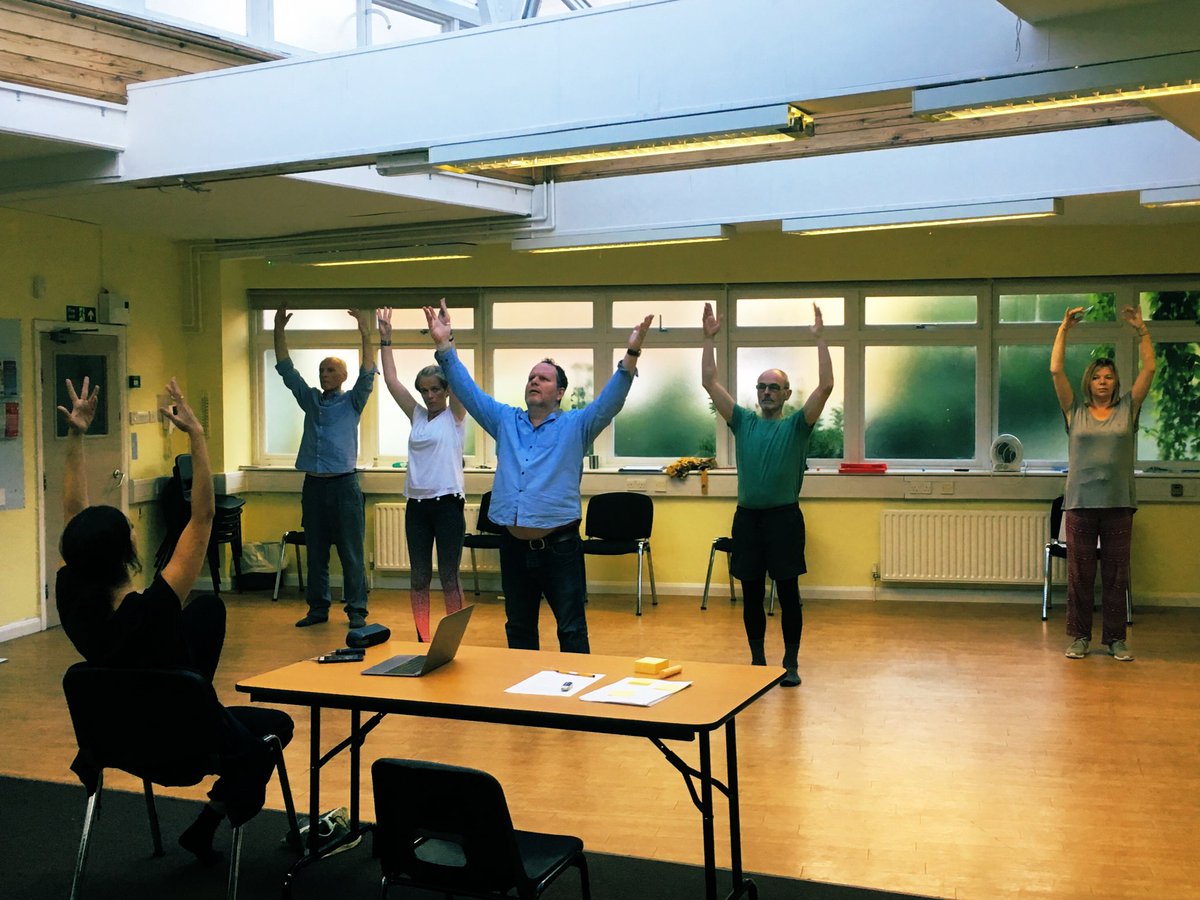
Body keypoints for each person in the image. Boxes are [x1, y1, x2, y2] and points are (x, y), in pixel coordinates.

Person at [56, 376, 294, 864]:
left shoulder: (73, 598)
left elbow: (73, 517)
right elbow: (202, 519)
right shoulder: (155, 611)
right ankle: (212, 818)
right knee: (275, 724)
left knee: (203, 619)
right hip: (185, 744)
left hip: (119, 742)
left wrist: (78, 436)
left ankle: (202, 829)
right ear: (127, 552)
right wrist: (198, 437)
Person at [423, 299, 653, 653]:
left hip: (559, 549)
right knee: (518, 628)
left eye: (543, 378)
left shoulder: (577, 425)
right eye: (531, 377)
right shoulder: (505, 421)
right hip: (513, 548)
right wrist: (444, 346)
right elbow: (467, 391)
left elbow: (611, 402)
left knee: (572, 629)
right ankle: (524, 702)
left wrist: (632, 353)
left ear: (559, 393)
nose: (534, 381)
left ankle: (573, 705)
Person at [701, 302, 833, 687]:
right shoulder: (742, 422)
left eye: (774, 386)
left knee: (789, 592)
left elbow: (826, 386)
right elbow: (709, 382)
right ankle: (758, 662)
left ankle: (790, 662)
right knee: (752, 592)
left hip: (784, 519)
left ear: (787, 393)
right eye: (761, 386)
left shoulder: (797, 426)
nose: (766, 391)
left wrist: (821, 339)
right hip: (748, 519)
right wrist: (708, 339)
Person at [1050, 304, 1155, 661]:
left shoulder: (1129, 409)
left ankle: (1115, 640)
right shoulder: (1074, 411)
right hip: (1079, 504)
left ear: (1115, 382)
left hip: (1118, 503)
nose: (1103, 382)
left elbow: (1150, 369)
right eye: (1097, 377)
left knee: (1115, 575)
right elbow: (1055, 369)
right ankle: (1080, 637)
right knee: (1080, 576)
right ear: (1089, 383)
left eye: (1108, 377)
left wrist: (1142, 330)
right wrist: (1064, 329)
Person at [274, 306, 376, 628]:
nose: (324, 374)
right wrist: (278, 330)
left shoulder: (353, 401)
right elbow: (286, 370)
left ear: (343, 376)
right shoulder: (311, 400)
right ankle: (318, 609)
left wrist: (365, 332)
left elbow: (368, 372)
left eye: (330, 370)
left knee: (351, 553)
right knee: (316, 552)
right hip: (314, 486)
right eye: (321, 370)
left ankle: (357, 611)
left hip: (345, 486)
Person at [376, 306, 468, 642]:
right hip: (416, 505)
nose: (430, 395)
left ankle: (452, 638)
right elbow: (390, 381)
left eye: (435, 390)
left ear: (445, 391)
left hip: (448, 506)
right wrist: (386, 339)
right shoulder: (416, 415)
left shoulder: (455, 415)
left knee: (448, 576)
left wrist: (448, 340)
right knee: (418, 577)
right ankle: (423, 638)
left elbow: (457, 379)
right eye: (425, 390)